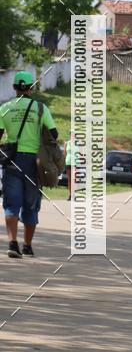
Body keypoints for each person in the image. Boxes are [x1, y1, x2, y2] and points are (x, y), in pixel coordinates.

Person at [0, 71, 58, 258]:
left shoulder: (5, 108)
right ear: (31, 88)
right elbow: (54, 134)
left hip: (12, 161)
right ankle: (27, 245)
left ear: (15, 87)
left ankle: (12, 244)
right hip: (35, 162)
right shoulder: (41, 108)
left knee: (11, 203)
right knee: (31, 205)